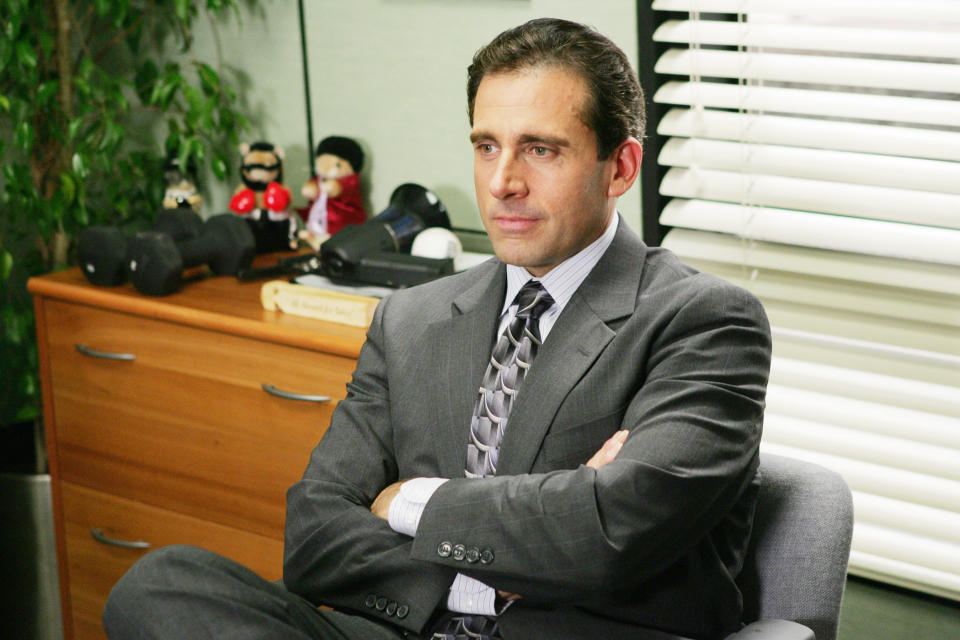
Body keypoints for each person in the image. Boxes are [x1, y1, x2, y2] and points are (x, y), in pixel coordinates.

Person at [103, 17, 771, 640]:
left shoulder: (704, 321)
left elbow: (607, 531)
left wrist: (407, 502)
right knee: (160, 585)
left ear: (620, 167)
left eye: (539, 149)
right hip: (410, 628)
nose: (503, 182)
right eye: (487, 147)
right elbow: (314, 537)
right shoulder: (412, 319)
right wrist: (499, 568)